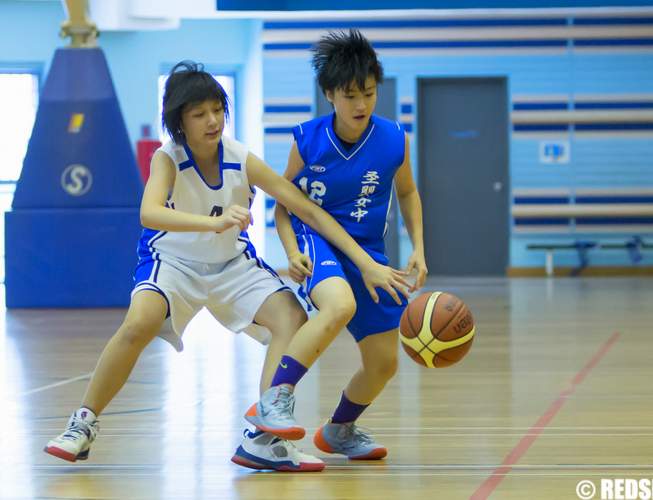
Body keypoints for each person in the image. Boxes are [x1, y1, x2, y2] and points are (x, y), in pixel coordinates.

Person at [43, 61, 409, 472]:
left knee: (291, 317)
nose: (212, 120)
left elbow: (304, 207)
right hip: (174, 262)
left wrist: (361, 260)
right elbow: (148, 213)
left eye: (217, 109)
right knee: (139, 321)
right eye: (199, 114)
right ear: (179, 121)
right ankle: (83, 424)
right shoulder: (168, 159)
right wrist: (212, 222)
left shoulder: (240, 157)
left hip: (232, 264)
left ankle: (265, 437)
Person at [246, 30, 428, 460]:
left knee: (384, 362)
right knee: (339, 304)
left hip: (369, 252)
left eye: (368, 93)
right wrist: (291, 249)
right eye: (350, 95)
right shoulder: (307, 140)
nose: (361, 104)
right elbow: (284, 206)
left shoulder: (394, 139)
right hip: (319, 240)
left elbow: (407, 193)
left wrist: (418, 246)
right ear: (329, 94)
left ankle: (340, 430)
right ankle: (275, 399)